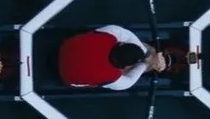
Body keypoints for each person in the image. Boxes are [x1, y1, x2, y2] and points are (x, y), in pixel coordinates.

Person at [56, 24, 197, 90]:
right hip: (64, 77)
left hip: (63, 46)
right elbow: (130, 79)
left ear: (120, 44)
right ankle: (153, 59)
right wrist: (148, 63)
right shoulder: (113, 78)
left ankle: (151, 55)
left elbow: (128, 34)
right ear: (123, 68)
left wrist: (149, 56)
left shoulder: (110, 34)